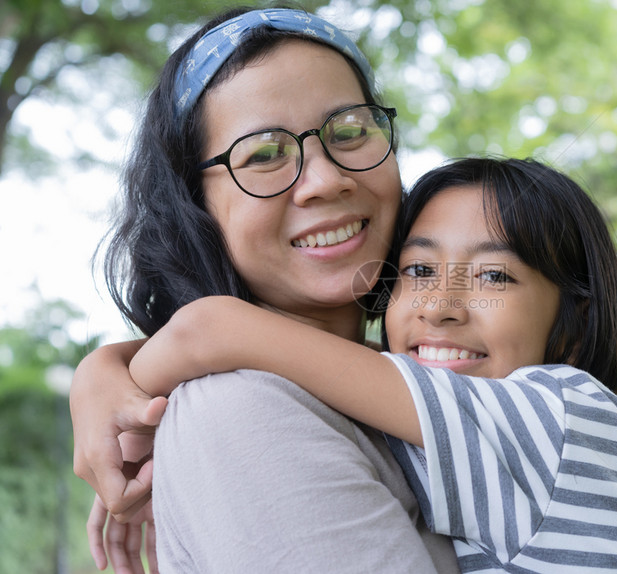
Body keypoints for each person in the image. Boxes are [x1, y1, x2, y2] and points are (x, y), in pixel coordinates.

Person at [125, 157, 617, 573]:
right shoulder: (474, 437)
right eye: (418, 271)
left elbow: (212, 330)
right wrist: (104, 372)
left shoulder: (561, 420)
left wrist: (119, 407)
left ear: (572, 325)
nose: (440, 308)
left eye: (494, 276)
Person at [69, 5, 460, 573]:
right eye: (265, 154)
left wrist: (114, 366)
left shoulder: (430, 378)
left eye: (350, 130)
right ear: (193, 207)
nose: (325, 180)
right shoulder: (238, 410)